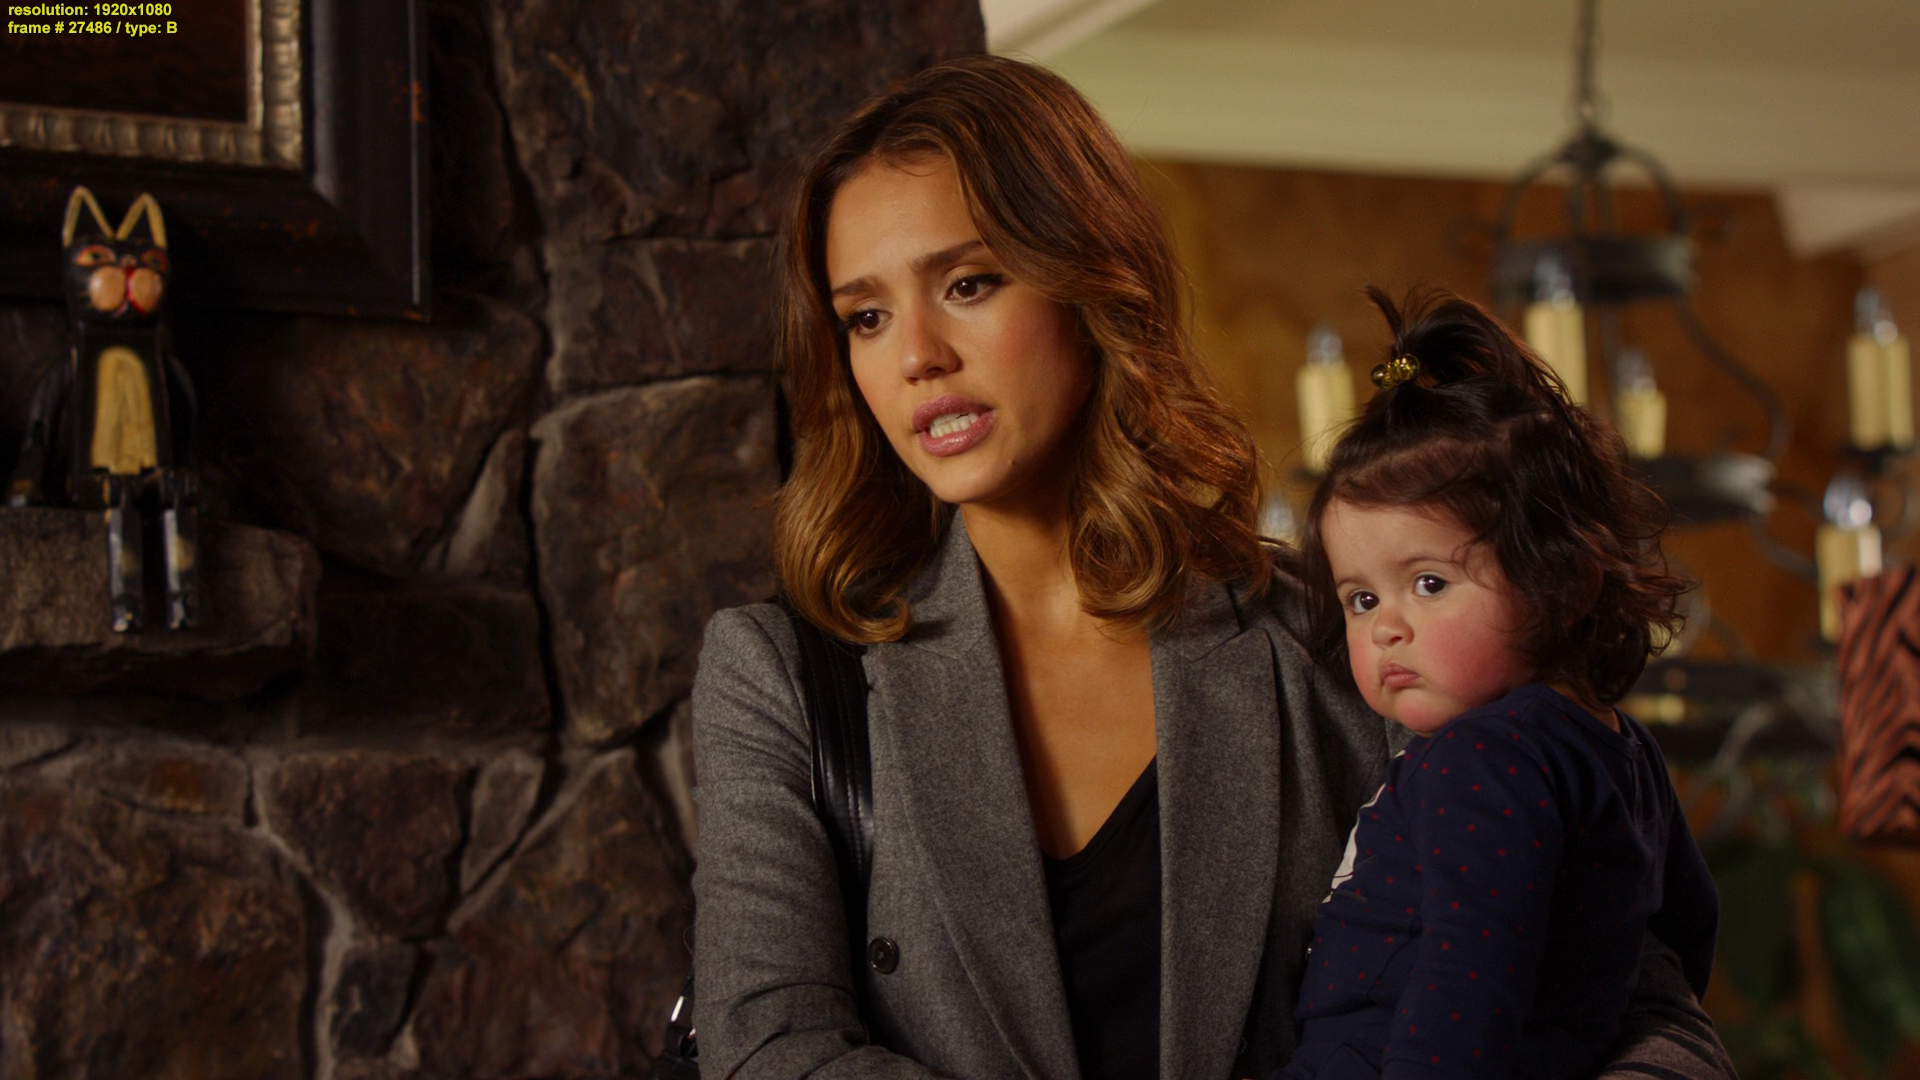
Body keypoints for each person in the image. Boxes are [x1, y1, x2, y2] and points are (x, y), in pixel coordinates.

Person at [689, 54, 1732, 1080]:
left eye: (968, 283)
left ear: (1092, 282)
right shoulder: (784, 676)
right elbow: (770, 1046)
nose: (917, 355)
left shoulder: (1341, 634)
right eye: (866, 317)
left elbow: (1642, 1004)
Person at [1274, 289, 1719, 1080]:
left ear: (1564, 579)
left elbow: (1467, 978)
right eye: (1361, 599)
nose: (1385, 628)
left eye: (1429, 583)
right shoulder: (1627, 750)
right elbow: (1689, 923)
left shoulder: (1480, 760)